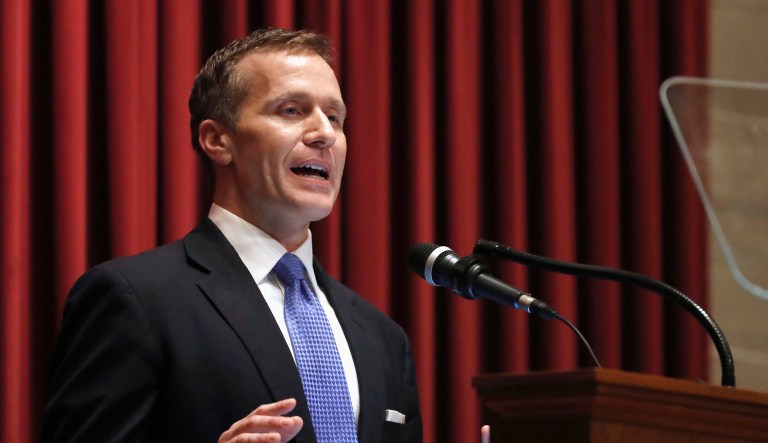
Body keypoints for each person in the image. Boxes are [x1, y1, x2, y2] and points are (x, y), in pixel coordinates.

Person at [42, 28, 422, 443]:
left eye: (334, 117)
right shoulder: (135, 300)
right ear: (217, 140)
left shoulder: (383, 338)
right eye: (292, 110)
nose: (324, 134)